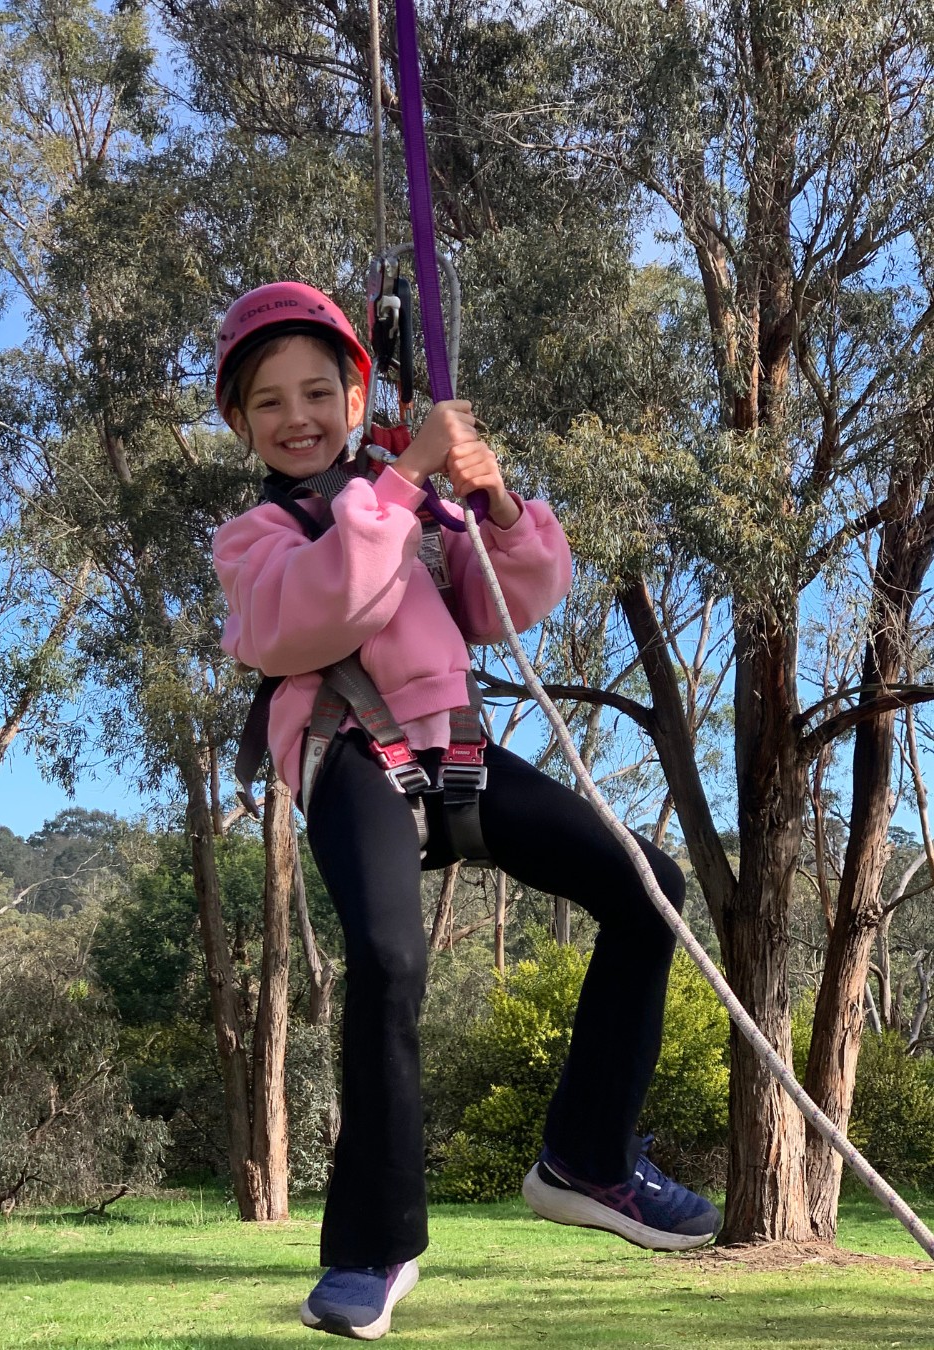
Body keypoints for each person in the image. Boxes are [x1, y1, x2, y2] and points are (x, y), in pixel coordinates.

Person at [212, 281, 721, 1342]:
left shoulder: (421, 509)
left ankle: (586, 1159)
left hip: (461, 754)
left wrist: (492, 505)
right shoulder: (255, 539)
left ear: (358, 395)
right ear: (240, 423)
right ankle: (371, 1246)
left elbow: (507, 604)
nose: (297, 416)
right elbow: (310, 618)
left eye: (319, 391)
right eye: (269, 402)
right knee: (391, 962)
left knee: (650, 891)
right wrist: (400, 478)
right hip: (355, 757)